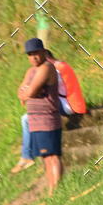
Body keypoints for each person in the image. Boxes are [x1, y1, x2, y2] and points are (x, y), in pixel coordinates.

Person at [11, 47, 87, 174]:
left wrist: (27, 93)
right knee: (29, 117)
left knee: (26, 119)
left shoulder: (54, 69)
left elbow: (36, 89)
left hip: (70, 105)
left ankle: (27, 156)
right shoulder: (60, 65)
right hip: (70, 101)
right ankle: (28, 155)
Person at [15, 38, 63, 196]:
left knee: (53, 156)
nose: (33, 57)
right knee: (45, 157)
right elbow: (20, 93)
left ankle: (56, 191)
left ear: (43, 52)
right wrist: (26, 92)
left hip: (47, 119)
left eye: (36, 53)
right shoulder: (31, 71)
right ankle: (51, 191)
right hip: (35, 120)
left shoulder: (47, 67)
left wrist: (28, 91)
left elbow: (30, 92)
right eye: (30, 54)